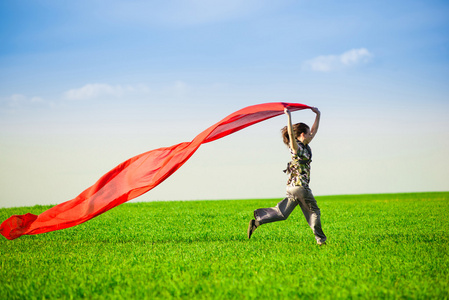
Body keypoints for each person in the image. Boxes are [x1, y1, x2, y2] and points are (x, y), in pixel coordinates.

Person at [247, 106, 327, 245]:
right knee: (314, 212)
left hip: (291, 187)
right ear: (301, 135)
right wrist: (288, 116)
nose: (311, 135)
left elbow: (313, 131)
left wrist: (318, 115)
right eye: (308, 133)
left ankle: (258, 220)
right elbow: (291, 134)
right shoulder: (296, 148)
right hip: (301, 187)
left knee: (282, 213)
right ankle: (321, 241)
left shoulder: (306, 146)